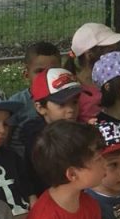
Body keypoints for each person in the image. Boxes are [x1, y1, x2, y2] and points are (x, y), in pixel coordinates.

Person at [18, 68, 83, 200]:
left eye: (75, 102)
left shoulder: (78, 129)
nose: (71, 110)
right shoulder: (37, 139)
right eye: (62, 104)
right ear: (40, 108)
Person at [69, 22, 120, 123]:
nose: (115, 55)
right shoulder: (73, 88)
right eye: (110, 51)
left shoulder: (116, 78)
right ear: (89, 54)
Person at [4, 42, 63, 131]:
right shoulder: (16, 103)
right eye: (39, 71)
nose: (46, 75)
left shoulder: (68, 99)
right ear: (26, 74)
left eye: (52, 70)